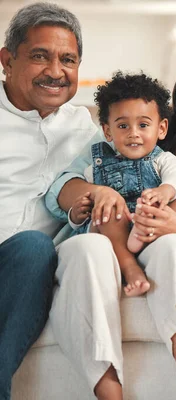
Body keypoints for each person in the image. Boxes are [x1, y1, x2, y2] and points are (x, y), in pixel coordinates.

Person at [45, 40, 176, 399]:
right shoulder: (137, 119)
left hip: (163, 239)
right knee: (90, 249)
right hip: (106, 234)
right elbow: (62, 188)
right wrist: (97, 194)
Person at [0, 3, 94, 399]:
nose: (56, 72)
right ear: (7, 60)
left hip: (29, 267)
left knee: (36, 247)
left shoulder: (86, 129)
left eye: (68, 60)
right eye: (40, 56)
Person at [68, 71, 176, 297]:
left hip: (151, 222)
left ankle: (143, 231)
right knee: (107, 212)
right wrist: (75, 214)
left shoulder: (163, 159)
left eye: (143, 125)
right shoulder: (97, 165)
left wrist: (163, 191)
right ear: (107, 131)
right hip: (116, 230)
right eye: (123, 126)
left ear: (161, 128)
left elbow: (175, 179)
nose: (134, 134)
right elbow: (88, 203)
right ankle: (130, 267)